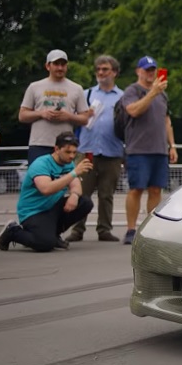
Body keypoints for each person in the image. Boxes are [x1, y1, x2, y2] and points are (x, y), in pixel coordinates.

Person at [0, 132, 94, 252]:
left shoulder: (68, 163)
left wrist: (74, 195)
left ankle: (54, 234)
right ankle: (13, 232)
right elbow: (46, 189)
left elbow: (76, 185)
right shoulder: (41, 164)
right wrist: (74, 173)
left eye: (74, 152)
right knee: (45, 244)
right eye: (68, 152)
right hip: (33, 211)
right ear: (57, 149)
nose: (71, 156)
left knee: (85, 202)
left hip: (52, 206)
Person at [64, 55, 125, 243]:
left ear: (114, 72)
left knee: (107, 194)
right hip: (86, 149)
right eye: (98, 69)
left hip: (112, 150)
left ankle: (104, 229)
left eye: (105, 69)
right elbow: (74, 117)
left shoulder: (122, 96)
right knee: (81, 191)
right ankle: (77, 229)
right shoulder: (86, 94)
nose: (100, 72)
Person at [120, 56, 177, 245]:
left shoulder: (162, 94)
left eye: (153, 70)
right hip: (138, 149)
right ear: (138, 71)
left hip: (159, 149)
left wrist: (172, 145)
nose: (150, 73)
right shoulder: (132, 90)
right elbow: (133, 110)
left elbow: (167, 121)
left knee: (156, 190)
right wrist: (152, 92)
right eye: (146, 70)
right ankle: (130, 229)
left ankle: (150, 229)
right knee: (136, 189)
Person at [18, 49, 92, 164]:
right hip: (40, 143)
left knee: (64, 180)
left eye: (63, 64)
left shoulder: (76, 88)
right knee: (39, 179)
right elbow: (22, 116)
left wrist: (68, 116)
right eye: (56, 64)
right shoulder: (34, 87)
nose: (60, 68)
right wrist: (42, 114)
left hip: (66, 146)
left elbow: (85, 119)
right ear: (48, 66)